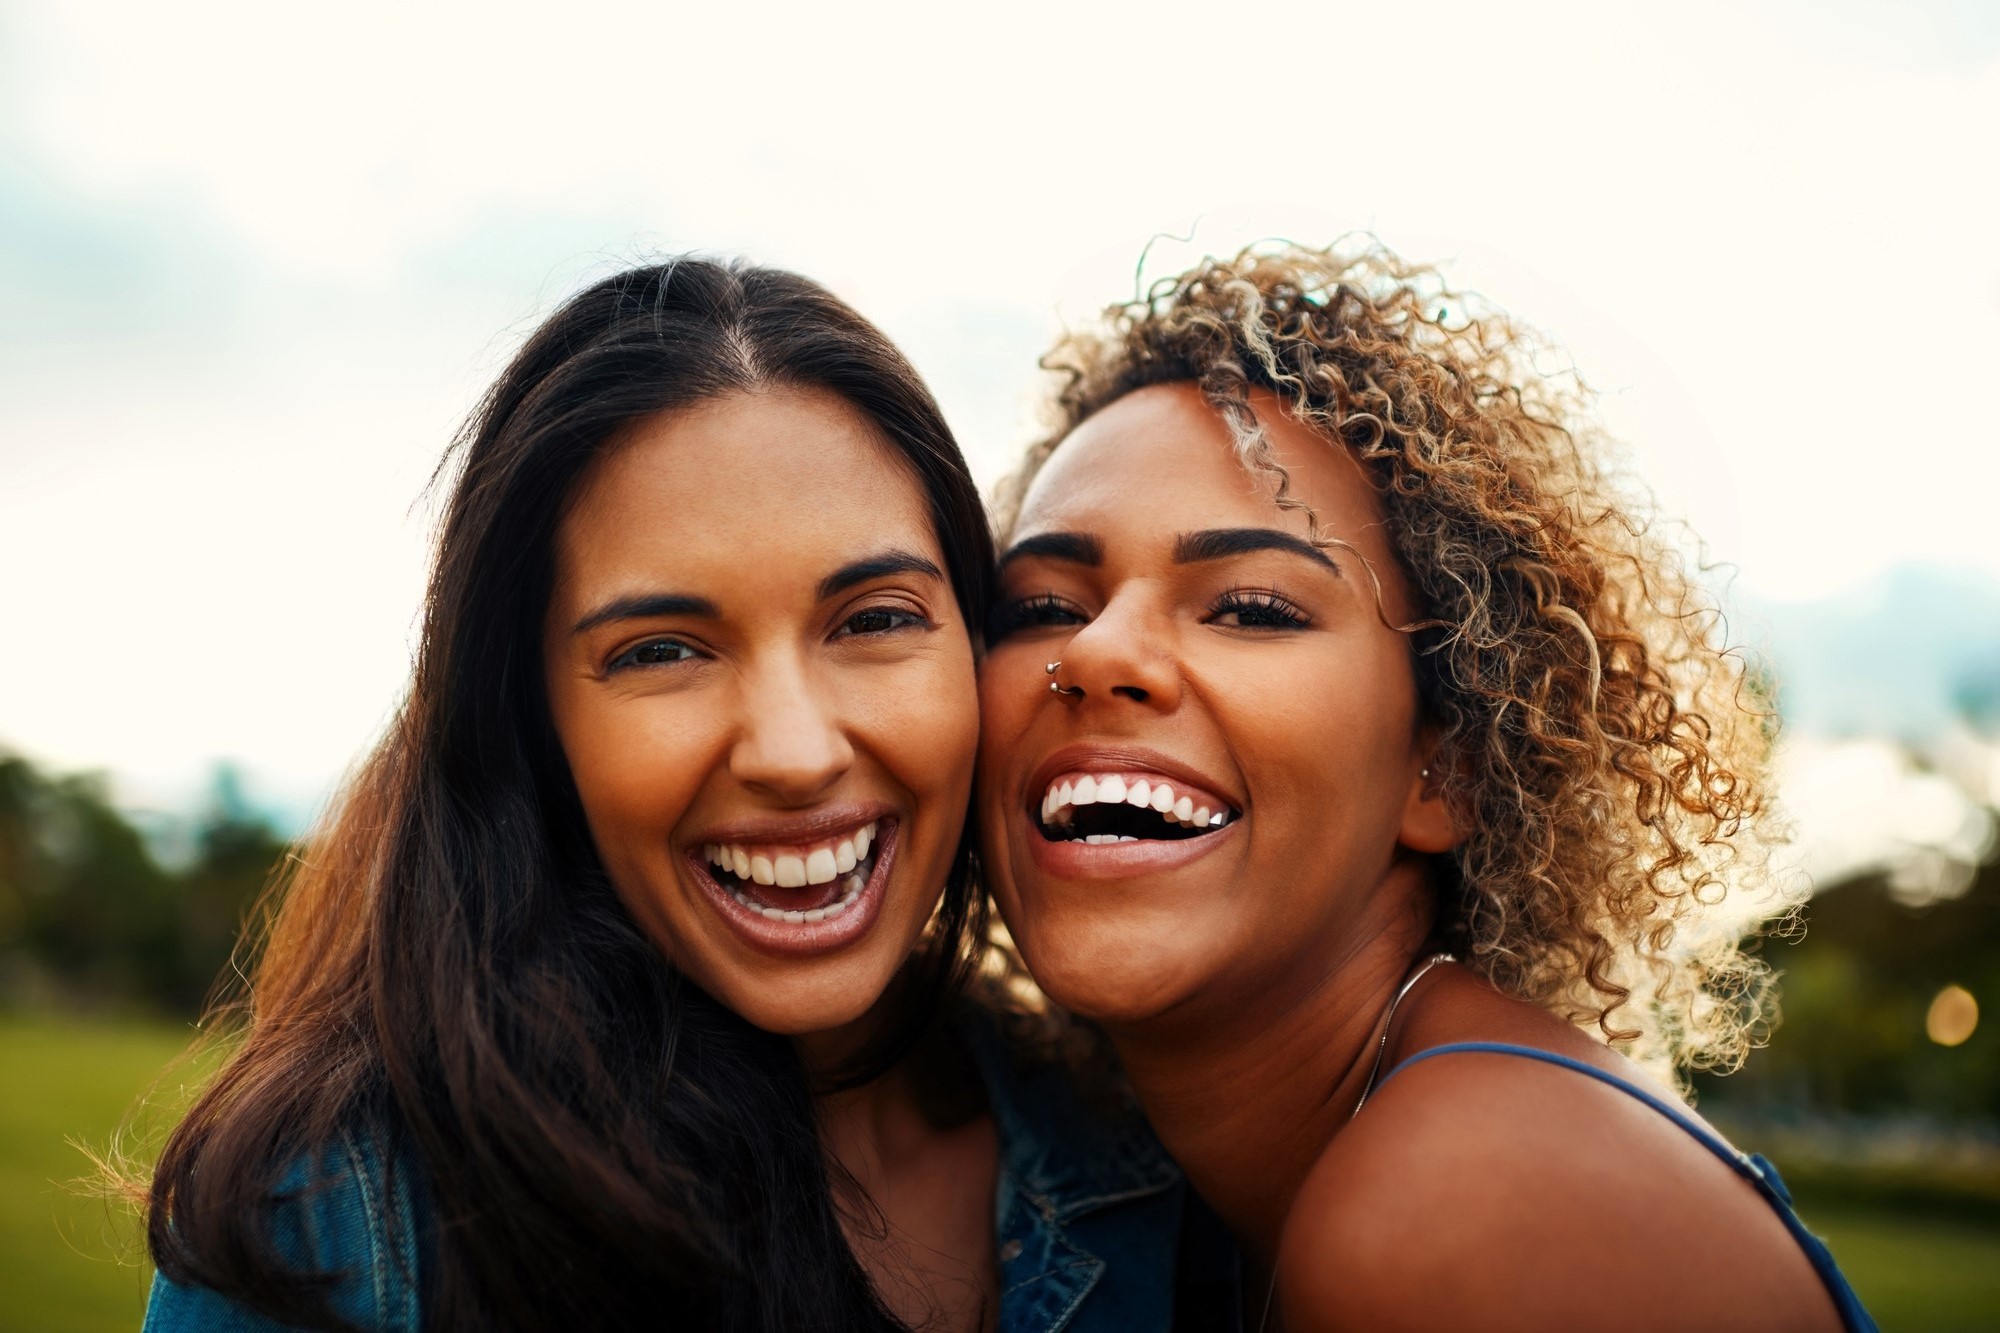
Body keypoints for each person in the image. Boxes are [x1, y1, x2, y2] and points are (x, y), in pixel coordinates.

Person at [139, 258, 1187, 1332]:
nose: (792, 753)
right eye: (661, 650)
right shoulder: (339, 1226)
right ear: (531, 719)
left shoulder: (1138, 1148)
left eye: (873, 620)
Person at [976, 242, 1876, 1332]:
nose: (1098, 651)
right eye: (1040, 607)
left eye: (1250, 607)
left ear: (1442, 767)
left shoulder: (1456, 1212)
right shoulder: (1161, 1186)